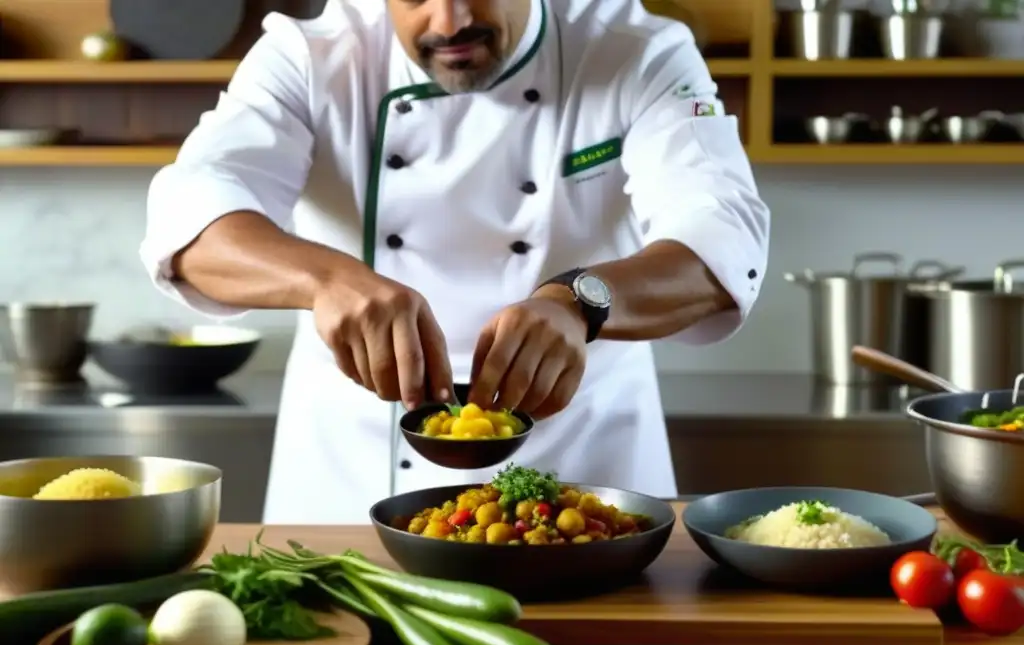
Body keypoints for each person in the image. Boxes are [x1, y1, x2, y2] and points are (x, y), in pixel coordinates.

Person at [139, 0, 770, 524]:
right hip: (349, 494)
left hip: (587, 477)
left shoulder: (637, 49)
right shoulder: (309, 56)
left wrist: (582, 299)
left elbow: (722, 234)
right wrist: (327, 278)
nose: (449, 21)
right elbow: (190, 218)